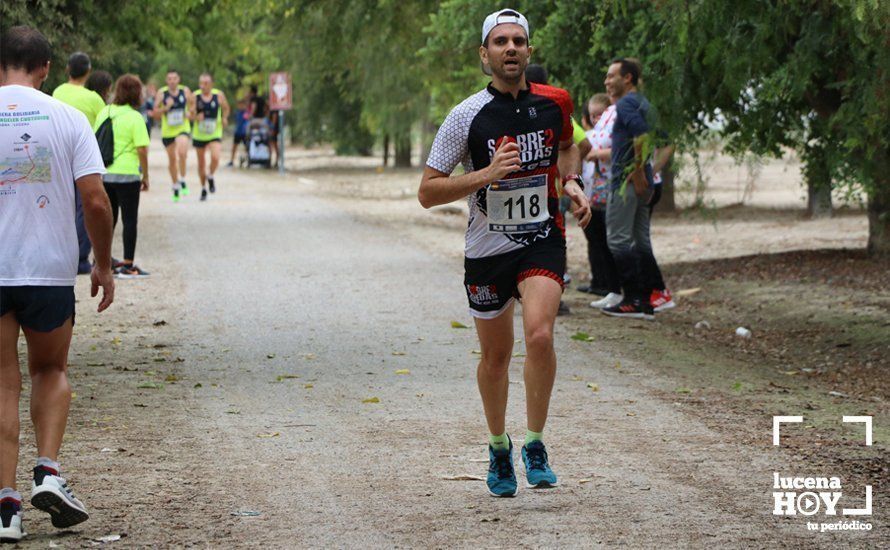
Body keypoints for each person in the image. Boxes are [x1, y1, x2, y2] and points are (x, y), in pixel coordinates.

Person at [418, 9, 590, 497]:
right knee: (496, 356)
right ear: (484, 54)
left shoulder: (555, 102)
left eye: (518, 41)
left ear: (529, 51)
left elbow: (567, 145)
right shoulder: (465, 115)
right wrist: (486, 175)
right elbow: (428, 192)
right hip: (487, 247)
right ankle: (499, 448)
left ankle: (535, 442)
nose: (510, 48)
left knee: (539, 335)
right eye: (500, 42)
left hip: (542, 237)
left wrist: (571, 182)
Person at [0, 26, 114, 543]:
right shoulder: (69, 118)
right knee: (49, 368)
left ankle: (5, 509)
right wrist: (104, 265)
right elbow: (95, 201)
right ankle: (47, 471)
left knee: (1, 382)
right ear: (46, 69)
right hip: (47, 271)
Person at [523, 64, 585, 316]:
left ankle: (552, 294)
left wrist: (568, 178)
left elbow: (579, 144)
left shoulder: (555, 107)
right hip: (520, 198)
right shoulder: (508, 110)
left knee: (549, 242)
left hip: (554, 194)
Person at [601, 58, 661, 319]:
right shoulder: (644, 103)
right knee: (638, 240)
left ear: (627, 79)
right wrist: (649, 171)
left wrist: (636, 171)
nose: (607, 81)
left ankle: (634, 299)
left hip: (625, 184)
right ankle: (646, 300)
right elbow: (662, 139)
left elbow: (642, 136)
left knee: (618, 239)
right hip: (641, 183)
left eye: (611, 76)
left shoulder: (626, 103)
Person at [52, 52, 106, 275]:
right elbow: (104, 125)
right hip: (83, 159)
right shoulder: (94, 99)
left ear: (67, 69)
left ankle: (61, 252)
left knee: (63, 207)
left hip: (59, 157)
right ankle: (81, 258)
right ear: (88, 71)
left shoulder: (57, 92)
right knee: (85, 208)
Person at [94, 74, 151, 277]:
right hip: (127, 174)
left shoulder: (105, 112)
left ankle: (103, 260)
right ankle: (127, 263)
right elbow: (142, 149)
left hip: (106, 173)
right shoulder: (135, 117)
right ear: (137, 94)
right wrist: (145, 175)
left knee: (109, 219)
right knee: (129, 220)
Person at [584, 94, 624, 309]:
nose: (596, 118)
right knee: (600, 242)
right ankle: (612, 289)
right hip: (597, 194)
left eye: (600, 114)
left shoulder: (619, 123)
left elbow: (624, 150)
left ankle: (624, 290)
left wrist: (598, 154)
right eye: (592, 115)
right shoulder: (594, 133)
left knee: (616, 242)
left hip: (617, 191)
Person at [154, 69, 193, 202]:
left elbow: (193, 107)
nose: (172, 81)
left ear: (178, 79)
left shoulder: (185, 91)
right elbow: (155, 113)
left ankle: (182, 178)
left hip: (183, 128)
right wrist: (166, 107)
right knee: (172, 160)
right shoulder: (162, 93)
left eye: (174, 78)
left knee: (182, 152)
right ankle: (175, 184)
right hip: (168, 131)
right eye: (169, 79)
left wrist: (190, 113)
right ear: (166, 81)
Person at [190, 73, 230, 200]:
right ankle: (203, 188)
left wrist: (224, 118)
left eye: (206, 83)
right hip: (199, 134)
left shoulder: (218, 95)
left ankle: (211, 175)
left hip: (214, 132)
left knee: (216, 157)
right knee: (201, 163)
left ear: (211, 84)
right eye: (201, 83)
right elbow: (189, 115)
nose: (203, 86)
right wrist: (196, 117)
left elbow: (226, 108)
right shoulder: (194, 96)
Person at [227, 96, 249, 167]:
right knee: (234, 147)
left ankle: (249, 160)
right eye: (240, 105)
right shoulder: (237, 112)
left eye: (242, 105)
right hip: (238, 132)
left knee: (247, 148)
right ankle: (231, 161)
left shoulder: (246, 113)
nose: (241, 106)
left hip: (244, 133)